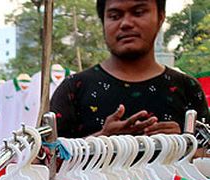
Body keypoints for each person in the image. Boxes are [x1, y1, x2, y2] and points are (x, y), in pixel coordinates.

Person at [51, 0, 210, 138]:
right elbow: (43, 159)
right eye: (114, 16)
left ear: (160, 17)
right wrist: (100, 141)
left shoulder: (188, 88)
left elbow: (206, 157)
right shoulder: (74, 89)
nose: (126, 23)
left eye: (138, 12)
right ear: (103, 22)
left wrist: (184, 145)